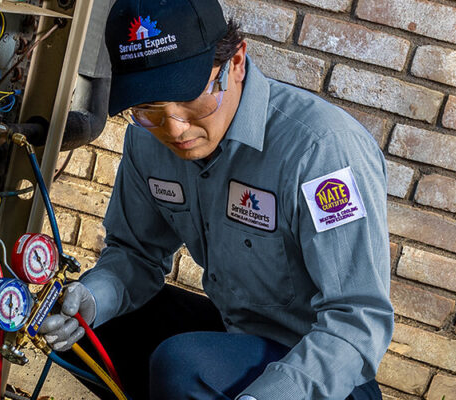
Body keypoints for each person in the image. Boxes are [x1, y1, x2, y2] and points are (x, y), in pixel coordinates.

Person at [38, 0, 393, 397]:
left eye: (191, 97)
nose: (174, 128)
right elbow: (134, 255)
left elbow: (357, 323)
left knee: (184, 365)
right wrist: (92, 299)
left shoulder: (322, 150)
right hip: (237, 336)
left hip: (323, 374)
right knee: (92, 329)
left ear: (235, 63)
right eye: (148, 108)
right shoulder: (146, 140)